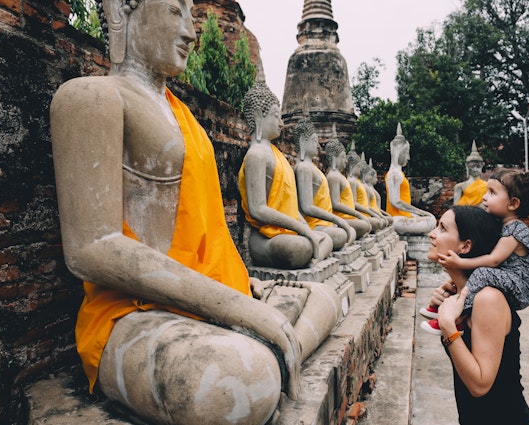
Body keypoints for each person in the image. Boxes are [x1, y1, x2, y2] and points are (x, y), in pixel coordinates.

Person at [50, 1, 338, 423]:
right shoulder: (91, 98)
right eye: (175, 11)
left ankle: (269, 344)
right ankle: (268, 349)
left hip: (205, 296)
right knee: (239, 379)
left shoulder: (188, 121)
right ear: (122, 10)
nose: (190, 30)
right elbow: (91, 248)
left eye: (191, 15)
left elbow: (211, 232)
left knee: (326, 295)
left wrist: (239, 294)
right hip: (133, 314)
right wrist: (237, 308)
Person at [429, 206, 529, 424]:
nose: (432, 233)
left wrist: (448, 326)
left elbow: (480, 385)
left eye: (442, 228)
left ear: (465, 246)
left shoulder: (489, 299)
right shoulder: (463, 297)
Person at [420, 168, 529, 333]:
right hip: (509, 277)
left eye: (492, 193)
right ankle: (444, 303)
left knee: (482, 273)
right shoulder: (499, 225)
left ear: (513, 203)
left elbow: (493, 260)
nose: (484, 197)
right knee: (469, 278)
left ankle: (459, 317)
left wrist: (460, 262)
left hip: (524, 285)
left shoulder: (516, 229)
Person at [238, 70, 333, 269]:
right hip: (265, 239)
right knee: (299, 248)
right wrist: (303, 230)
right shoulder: (256, 154)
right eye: (276, 116)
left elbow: (291, 206)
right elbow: (258, 209)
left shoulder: (276, 154)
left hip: (289, 233)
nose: (281, 123)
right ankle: (311, 253)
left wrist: (307, 229)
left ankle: (312, 252)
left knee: (325, 238)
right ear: (258, 117)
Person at [292, 117, 357, 250]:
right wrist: (337, 220)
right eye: (314, 141)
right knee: (342, 235)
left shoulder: (313, 168)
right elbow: (306, 207)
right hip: (313, 224)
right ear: (303, 141)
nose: (318, 145)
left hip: (325, 223)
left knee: (349, 231)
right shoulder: (303, 168)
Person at [385, 123, 436, 234]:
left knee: (431, 219)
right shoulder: (393, 173)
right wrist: (420, 212)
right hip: (396, 218)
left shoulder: (399, 173)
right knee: (430, 221)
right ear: (399, 153)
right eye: (407, 153)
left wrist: (416, 214)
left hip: (404, 216)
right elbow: (395, 202)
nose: (408, 157)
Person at [324, 126, 374, 239]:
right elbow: (335, 203)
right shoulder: (333, 177)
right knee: (366, 225)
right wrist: (357, 214)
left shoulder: (341, 177)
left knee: (369, 224)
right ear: (334, 157)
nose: (345, 161)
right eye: (343, 157)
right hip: (342, 218)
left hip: (349, 217)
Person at [347, 147, 386, 230]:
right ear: (351, 166)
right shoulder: (351, 181)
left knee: (383, 221)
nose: (360, 170)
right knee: (375, 223)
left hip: (366, 215)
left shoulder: (358, 183)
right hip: (358, 215)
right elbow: (353, 203)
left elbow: (367, 205)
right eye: (358, 167)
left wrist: (378, 214)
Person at [453, 141, 487, 207]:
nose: (475, 169)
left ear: (482, 166)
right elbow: (456, 207)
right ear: (467, 166)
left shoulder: (487, 185)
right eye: (472, 166)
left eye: (478, 166)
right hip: (465, 213)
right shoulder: (460, 186)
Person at [362, 159, 394, 226]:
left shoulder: (370, 189)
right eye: (375, 177)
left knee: (390, 219)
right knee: (378, 222)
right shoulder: (365, 188)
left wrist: (384, 214)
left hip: (376, 213)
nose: (376, 179)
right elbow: (367, 206)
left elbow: (376, 207)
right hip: (371, 215)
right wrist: (378, 215)